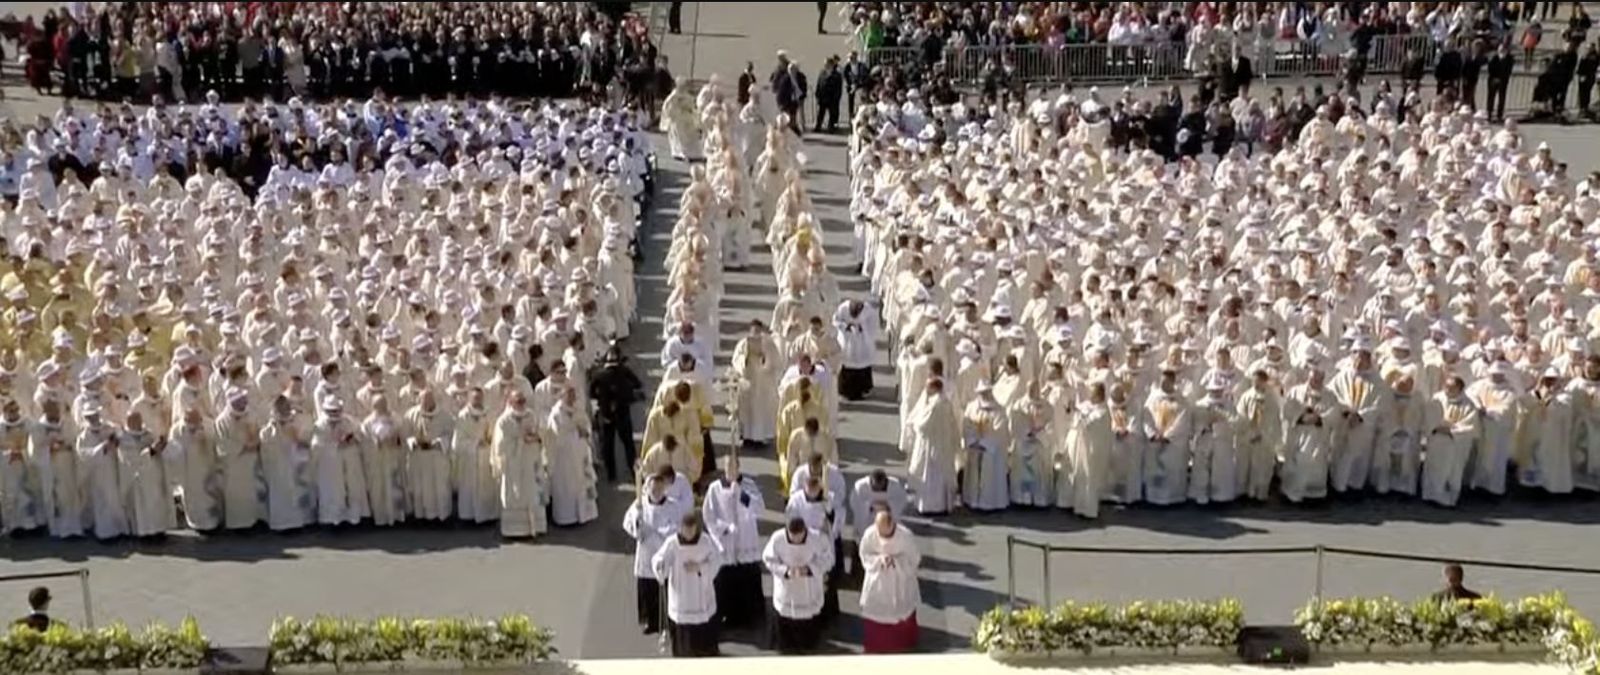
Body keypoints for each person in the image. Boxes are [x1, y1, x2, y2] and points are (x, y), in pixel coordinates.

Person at [702, 453, 765, 631]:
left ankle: (752, 616)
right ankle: (724, 614)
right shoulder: (715, 488)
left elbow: (759, 509)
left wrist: (742, 496)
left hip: (745, 539)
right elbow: (709, 515)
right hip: (727, 541)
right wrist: (724, 529)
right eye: (727, 466)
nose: (730, 470)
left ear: (739, 467)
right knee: (725, 581)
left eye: (734, 466)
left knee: (747, 577)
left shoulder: (749, 485)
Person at [623, 470, 687, 635]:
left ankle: (667, 620)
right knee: (648, 591)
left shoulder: (673, 506)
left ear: (664, 489)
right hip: (646, 553)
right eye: (653, 489)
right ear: (648, 488)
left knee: (665, 588)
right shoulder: (640, 504)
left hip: (664, 552)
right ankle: (650, 621)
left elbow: (680, 527)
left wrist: (666, 531)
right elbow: (628, 524)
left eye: (659, 489)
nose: (656, 492)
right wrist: (637, 522)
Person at [653, 511, 723, 657]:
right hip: (681, 595)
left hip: (701, 594)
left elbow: (716, 561)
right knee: (683, 639)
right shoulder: (672, 543)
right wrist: (659, 565)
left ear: (696, 527)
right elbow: (660, 558)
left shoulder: (706, 541)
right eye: (686, 530)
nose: (689, 534)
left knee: (704, 638)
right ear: (681, 528)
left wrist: (700, 568)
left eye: (692, 530)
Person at [764, 516, 830, 653]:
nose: (796, 540)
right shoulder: (778, 539)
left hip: (808, 589)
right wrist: (786, 571)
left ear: (804, 530)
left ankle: (807, 645)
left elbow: (828, 559)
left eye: (799, 537)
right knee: (785, 625)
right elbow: (769, 560)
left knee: (807, 627)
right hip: (787, 589)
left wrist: (809, 569)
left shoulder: (817, 539)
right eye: (792, 536)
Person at [859, 508, 920, 653]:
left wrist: (895, 561)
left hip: (900, 580)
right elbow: (864, 554)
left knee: (902, 611)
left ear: (893, 524)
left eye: (888, 534)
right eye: (881, 534)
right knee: (877, 613)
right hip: (878, 579)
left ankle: (902, 641)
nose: (885, 538)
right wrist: (879, 559)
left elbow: (914, 559)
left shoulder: (905, 536)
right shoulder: (870, 534)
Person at [590, 345, 644, 482]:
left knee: (608, 445)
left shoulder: (599, 375)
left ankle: (611, 474)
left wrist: (602, 399)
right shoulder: (624, 371)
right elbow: (637, 383)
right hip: (622, 411)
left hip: (606, 413)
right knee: (628, 444)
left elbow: (591, 392)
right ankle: (633, 470)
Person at [814, 56, 844, 134]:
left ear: (831, 64)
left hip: (832, 98)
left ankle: (831, 128)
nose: (825, 65)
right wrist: (817, 94)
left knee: (832, 114)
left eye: (827, 64)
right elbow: (819, 84)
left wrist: (837, 98)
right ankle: (818, 126)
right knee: (820, 113)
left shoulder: (837, 75)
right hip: (822, 97)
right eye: (825, 64)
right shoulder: (822, 72)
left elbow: (838, 88)